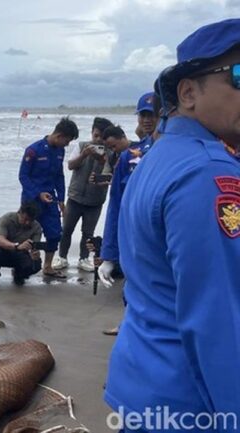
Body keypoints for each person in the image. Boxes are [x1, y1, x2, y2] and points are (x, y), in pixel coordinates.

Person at [105, 19, 240, 430]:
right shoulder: (208, 172)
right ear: (188, 93)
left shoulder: (160, 158)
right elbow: (218, 320)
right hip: (191, 403)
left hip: (144, 379)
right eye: (239, 76)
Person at [97, 92, 158, 290]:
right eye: (143, 115)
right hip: (136, 239)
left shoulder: (182, 153)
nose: (147, 120)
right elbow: (116, 206)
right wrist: (109, 255)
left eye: (152, 114)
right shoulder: (129, 157)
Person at [18, 117, 79, 279]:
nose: (67, 145)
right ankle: (22, 266)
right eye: (67, 141)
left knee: (54, 233)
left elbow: (59, 176)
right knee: (26, 233)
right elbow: (23, 176)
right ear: (59, 135)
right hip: (32, 200)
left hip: (50, 200)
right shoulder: (33, 150)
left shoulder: (60, 151)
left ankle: (47, 266)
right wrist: (38, 193)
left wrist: (61, 199)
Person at [53, 117, 114, 272]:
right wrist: (84, 155)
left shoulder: (111, 152)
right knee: (66, 229)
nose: (98, 140)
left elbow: (109, 174)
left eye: (102, 137)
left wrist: (102, 161)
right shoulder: (81, 146)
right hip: (75, 197)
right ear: (92, 133)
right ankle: (62, 257)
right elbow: (70, 165)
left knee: (88, 232)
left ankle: (84, 258)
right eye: (96, 135)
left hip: (95, 201)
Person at [0, 201, 43, 288]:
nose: (27, 222)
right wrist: (17, 246)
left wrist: (35, 255)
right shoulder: (6, 219)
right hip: (3, 250)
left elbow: (35, 247)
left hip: (21, 254)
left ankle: (19, 275)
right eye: (25, 219)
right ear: (20, 212)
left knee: (36, 265)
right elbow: (0, 240)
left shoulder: (36, 227)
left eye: (30, 220)